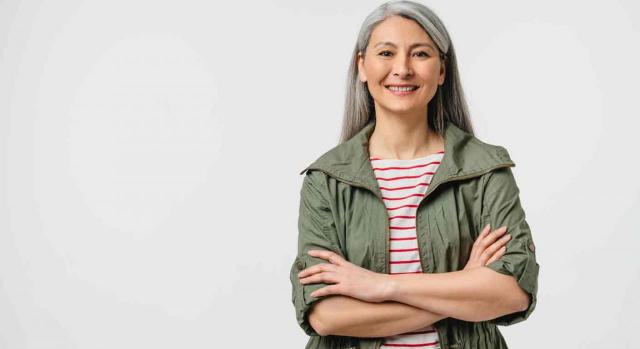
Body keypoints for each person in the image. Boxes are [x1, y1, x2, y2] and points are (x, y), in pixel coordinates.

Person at [289, 1, 540, 348]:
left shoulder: (485, 170)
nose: (402, 69)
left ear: (441, 70)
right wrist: (464, 286)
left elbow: (513, 293)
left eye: (420, 54)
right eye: (386, 53)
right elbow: (326, 315)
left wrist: (382, 286)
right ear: (362, 65)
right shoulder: (328, 179)